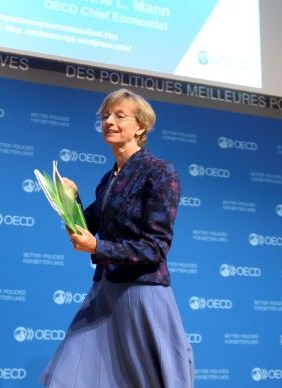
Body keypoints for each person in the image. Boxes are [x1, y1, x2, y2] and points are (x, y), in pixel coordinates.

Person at [40, 88, 194, 388]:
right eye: (105, 116)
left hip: (141, 292)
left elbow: (155, 248)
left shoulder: (159, 172)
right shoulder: (108, 179)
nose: (109, 121)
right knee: (64, 379)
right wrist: (69, 200)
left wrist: (97, 247)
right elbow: (87, 226)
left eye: (119, 115)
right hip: (105, 289)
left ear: (140, 127)